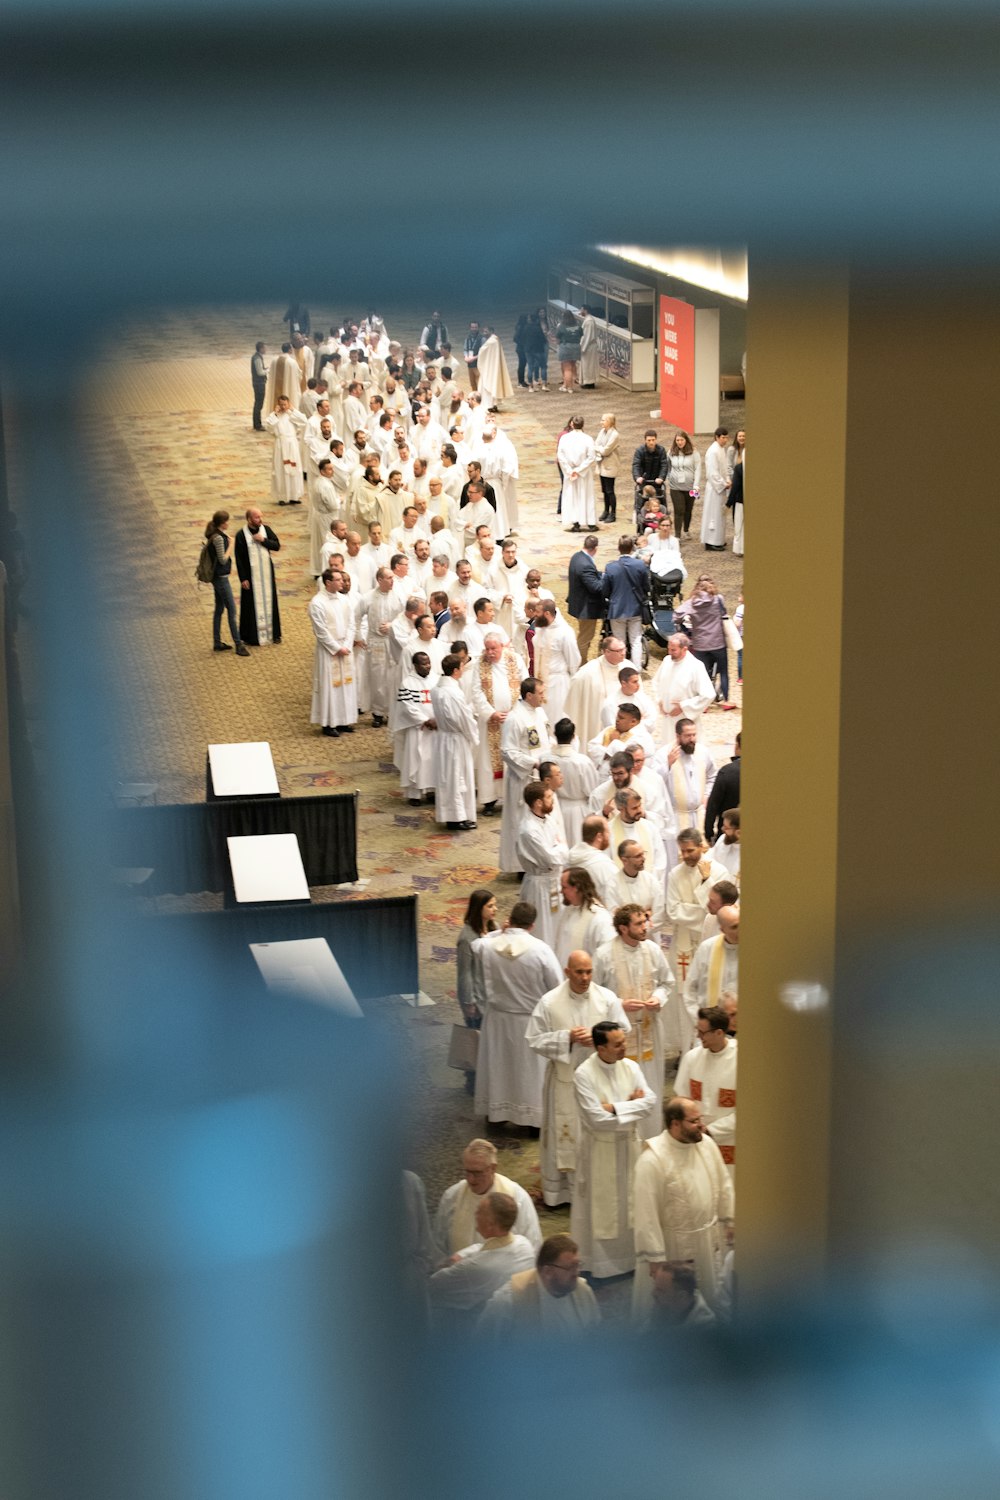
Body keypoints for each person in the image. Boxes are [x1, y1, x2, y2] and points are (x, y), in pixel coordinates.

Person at [526, 950, 630, 1206]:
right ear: (567, 972)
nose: (585, 978)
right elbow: (534, 1040)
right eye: (579, 972)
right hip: (565, 1081)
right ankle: (563, 1194)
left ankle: (598, 1189)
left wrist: (598, 1040)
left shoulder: (606, 999)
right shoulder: (549, 1002)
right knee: (567, 1134)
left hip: (601, 1081)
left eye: (589, 971)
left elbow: (623, 1030)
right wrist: (567, 1038)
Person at [632, 1096, 735, 1318]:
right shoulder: (652, 1160)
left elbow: (723, 1181)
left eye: (700, 1118)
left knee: (710, 1297)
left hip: (707, 1242)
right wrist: (656, 1259)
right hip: (673, 1249)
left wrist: (730, 1219)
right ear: (675, 1123)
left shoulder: (706, 1144)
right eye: (694, 1121)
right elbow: (645, 1215)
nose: (701, 1125)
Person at [572, 1021, 655, 1276]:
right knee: (602, 1207)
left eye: (623, 1041)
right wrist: (630, 1106)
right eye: (617, 1044)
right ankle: (601, 1264)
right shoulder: (583, 1074)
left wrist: (615, 1108)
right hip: (600, 1152)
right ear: (600, 1048)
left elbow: (650, 1103)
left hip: (628, 1148)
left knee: (631, 1201)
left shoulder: (631, 1066)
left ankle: (631, 1259)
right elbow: (596, 1120)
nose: (624, 1047)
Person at [473, 900, 563, 1128]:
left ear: (510, 920)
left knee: (499, 1067)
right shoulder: (540, 949)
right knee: (529, 1072)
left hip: (498, 1018)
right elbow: (556, 986)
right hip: (529, 1018)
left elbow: (475, 944)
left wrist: (497, 933)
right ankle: (533, 1121)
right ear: (532, 925)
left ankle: (496, 1116)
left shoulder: (488, 947)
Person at [594, 904, 676, 1137]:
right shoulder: (604, 954)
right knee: (624, 1087)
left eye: (645, 921)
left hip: (649, 1030)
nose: (645, 927)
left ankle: (651, 1135)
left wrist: (657, 998)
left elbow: (666, 982)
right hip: (619, 1035)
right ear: (623, 928)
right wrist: (619, 1004)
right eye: (638, 924)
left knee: (650, 1084)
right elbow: (595, 993)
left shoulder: (652, 950)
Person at [428, 1192, 536, 1328]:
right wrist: (462, 1254)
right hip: (522, 1320)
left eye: (479, 1211)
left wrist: (449, 1263)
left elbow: (433, 1285)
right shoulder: (525, 1245)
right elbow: (484, 1248)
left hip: (480, 1325)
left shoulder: (473, 1267)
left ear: (490, 1225)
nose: (475, 1214)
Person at [434, 1138, 543, 1257]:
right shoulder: (452, 1196)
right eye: (467, 1172)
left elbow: (533, 1244)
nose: (470, 1179)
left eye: (477, 1173)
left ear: (493, 1168)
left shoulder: (516, 1197)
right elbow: (438, 1243)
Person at [477, 1233, 600, 1336]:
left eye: (577, 1265)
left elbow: (594, 1332)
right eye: (569, 1268)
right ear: (547, 1271)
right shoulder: (509, 1300)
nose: (576, 1273)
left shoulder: (583, 1291)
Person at [665, 829, 732, 1005]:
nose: (685, 856)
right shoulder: (675, 874)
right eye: (682, 851)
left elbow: (719, 910)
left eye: (690, 850)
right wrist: (702, 912)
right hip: (683, 941)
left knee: (711, 989)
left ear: (701, 847)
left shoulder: (720, 871)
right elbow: (672, 911)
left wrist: (706, 881)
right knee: (682, 996)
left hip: (712, 936)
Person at [675, 1006, 737, 1179]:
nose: (698, 1036)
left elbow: (749, 1112)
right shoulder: (692, 1058)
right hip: (696, 1137)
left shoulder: (742, 1061)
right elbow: (682, 1098)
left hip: (730, 1140)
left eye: (702, 1033)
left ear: (718, 1033)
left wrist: (711, 1130)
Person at [499, 677, 551, 873]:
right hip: (523, 779)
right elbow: (507, 751)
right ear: (529, 696)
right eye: (541, 693)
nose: (544, 696)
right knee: (521, 822)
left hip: (540, 777)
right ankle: (521, 866)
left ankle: (539, 859)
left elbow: (546, 736)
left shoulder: (539, 712)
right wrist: (533, 763)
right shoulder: (515, 718)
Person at [471, 633, 527, 816]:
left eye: (493, 648)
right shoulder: (480, 664)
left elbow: (525, 685)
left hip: (513, 718)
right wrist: (490, 713)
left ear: (502, 646)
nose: (490, 652)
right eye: (487, 648)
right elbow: (476, 691)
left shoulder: (514, 659)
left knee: (513, 756)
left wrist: (516, 711)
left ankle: (514, 797)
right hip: (491, 722)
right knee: (489, 761)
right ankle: (489, 800)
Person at [515, 781, 569, 951]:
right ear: (538, 802)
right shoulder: (529, 830)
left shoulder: (549, 820)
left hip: (554, 881)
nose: (552, 801)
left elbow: (562, 847)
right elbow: (550, 859)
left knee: (557, 926)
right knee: (542, 929)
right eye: (549, 798)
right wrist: (559, 849)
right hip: (539, 886)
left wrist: (558, 849)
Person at [430, 653, 479, 831]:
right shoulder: (453, 693)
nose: (464, 669)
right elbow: (463, 719)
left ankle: (453, 816)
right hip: (456, 739)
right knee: (457, 777)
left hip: (444, 738)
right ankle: (457, 817)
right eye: (462, 666)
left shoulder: (436, 689)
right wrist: (473, 735)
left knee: (447, 778)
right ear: (456, 670)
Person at [308, 569, 357, 736]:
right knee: (331, 686)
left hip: (345, 647)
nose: (342, 582)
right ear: (328, 582)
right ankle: (329, 723)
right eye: (338, 580)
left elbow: (352, 624)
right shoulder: (317, 603)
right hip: (329, 651)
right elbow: (320, 631)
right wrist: (337, 648)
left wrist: (348, 644)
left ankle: (343, 720)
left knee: (346, 684)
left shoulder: (345, 600)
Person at [678, 575, 734, 707]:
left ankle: (705, 704)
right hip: (717, 642)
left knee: (702, 674)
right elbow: (723, 614)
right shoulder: (718, 599)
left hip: (700, 643)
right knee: (724, 672)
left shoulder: (692, 602)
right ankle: (726, 701)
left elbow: (676, 615)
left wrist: (684, 630)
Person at [564, 635, 628, 748]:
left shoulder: (627, 667)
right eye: (619, 650)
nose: (623, 653)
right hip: (598, 725)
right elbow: (574, 687)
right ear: (607, 652)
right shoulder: (588, 672)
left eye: (624, 649)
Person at [656, 717, 717, 833]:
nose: (692, 739)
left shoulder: (703, 751)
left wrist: (707, 795)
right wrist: (667, 764)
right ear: (678, 736)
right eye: (688, 736)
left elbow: (712, 776)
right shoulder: (663, 754)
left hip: (699, 814)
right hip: (675, 816)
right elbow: (654, 782)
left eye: (694, 735)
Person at [651, 633, 715, 739]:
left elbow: (708, 694)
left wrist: (683, 706)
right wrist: (660, 700)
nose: (669, 653)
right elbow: (656, 682)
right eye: (669, 649)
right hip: (668, 719)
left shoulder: (696, 666)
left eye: (673, 650)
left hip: (685, 720)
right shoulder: (667, 661)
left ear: (684, 649)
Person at [602, 534, 651, 670]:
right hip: (635, 607)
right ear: (632, 548)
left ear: (619, 548)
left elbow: (605, 590)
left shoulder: (610, 567)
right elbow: (646, 586)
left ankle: (622, 668)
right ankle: (636, 669)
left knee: (620, 641)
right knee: (636, 640)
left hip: (617, 609)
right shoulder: (640, 564)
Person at [233, 506, 281, 646]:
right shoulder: (241, 535)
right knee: (250, 605)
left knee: (271, 601)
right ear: (249, 519)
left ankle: (274, 634)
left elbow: (277, 545)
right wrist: (243, 579)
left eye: (261, 516)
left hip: (266, 574)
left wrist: (263, 540)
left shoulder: (266, 530)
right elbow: (239, 559)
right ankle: (250, 636)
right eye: (257, 517)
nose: (260, 519)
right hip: (251, 577)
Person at [204, 510, 249, 657]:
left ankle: (217, 642)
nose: (228, 523)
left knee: (219, 609)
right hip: (221, 578)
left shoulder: (216, 535)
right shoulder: (218, 538)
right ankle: (238, 644)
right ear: (222, 523)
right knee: (232, 610)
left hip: (218, 577)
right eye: (227, 521)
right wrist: (231, 544)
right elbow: (223, 559)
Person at [395, 651, 438, 805]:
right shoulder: (407, 683)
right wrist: (425, 720)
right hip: (417, 728)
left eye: (429, 663)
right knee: (416, 760)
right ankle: (414, 794)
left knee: (433, 760)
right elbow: (407, 707)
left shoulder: (436, 679)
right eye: (423, 664)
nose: (427, 666)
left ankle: (432, 790)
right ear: (415, 665)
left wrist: (437, 720)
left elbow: (441, 701)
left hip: (435, 728)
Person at [550, 718, 600, 847]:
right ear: (573, 737)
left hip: (552, 805)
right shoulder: (582, 762)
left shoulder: (545, 758)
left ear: (555, 734)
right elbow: (592, 790)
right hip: (577, 811)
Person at [531, 599, 581, 726]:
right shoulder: (540, 629)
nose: (534, 615)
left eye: (537, 612)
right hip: (539, 682)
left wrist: (572, 682)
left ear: (547, 613)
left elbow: (574, 659)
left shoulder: (565, 632)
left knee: (555, 719)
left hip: (557, 683)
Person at [553, 868, 615, 969]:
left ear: (576, 887)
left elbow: (607, 955)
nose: (561, 891)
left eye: (564, 887)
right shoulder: (568, 910)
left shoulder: (599, 917)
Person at [687, 905, 740, 1009]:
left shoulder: (754, 949)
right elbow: (690, 989)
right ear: (722, 929)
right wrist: (702, 1019)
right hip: (713, 1020)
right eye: (734, 927)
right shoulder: (706, 949)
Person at [565, 813, 620, 910]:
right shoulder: (603, 864)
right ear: (599, 836)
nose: (610, 835)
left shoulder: (569, 859)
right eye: (607, 832)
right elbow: (616, 894)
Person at [609, 839, 666, 931]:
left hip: (649, 938)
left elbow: (659, 914)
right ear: (624, 860)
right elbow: (613, 917)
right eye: (638, 856)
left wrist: (640, 930)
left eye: (643, 853)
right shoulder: (612, 885)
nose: (643, 858)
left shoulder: (651, 880)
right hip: (624, 940)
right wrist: (646, 915)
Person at [643, 1260, 717, 1331]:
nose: (653, 1293)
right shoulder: (661, 1309)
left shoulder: (706, 1329)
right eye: (655, 1287)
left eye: (661, 1291)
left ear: (682, 1297)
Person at [566, 533, 605, 660]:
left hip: (578, 603)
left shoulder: (576, 556)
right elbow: (596, 587)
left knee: (583, 636)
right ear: (595, 549)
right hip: (586, 608)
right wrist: (606, 581)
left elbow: (589, 576)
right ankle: (580, 663)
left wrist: (600, 575)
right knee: (585, 638)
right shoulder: (586, 564)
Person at [264, 393, 307, 505]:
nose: (283, 407)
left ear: (288, 404)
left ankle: (294, 496)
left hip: (292, 445)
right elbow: (269, 426)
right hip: (280, 445)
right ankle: (282, 496)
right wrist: (275, 414)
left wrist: (292, 410)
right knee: (280, 470)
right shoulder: (275, 416)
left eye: (285, 404)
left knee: (294, 469)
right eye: (281, 404)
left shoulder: (291, 414)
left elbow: (304, 421)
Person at [557, 415, 598, 533]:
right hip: (583, 473)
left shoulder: (565, 438)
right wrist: (579, 470)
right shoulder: (588, 439)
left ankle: (575, 523)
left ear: (572, 424)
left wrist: (570, 470)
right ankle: (590, 522)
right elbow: (591, 457)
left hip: (571, 472)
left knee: (572, 497)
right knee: (586, 496)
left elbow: (560, 456)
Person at [705, 733, 741, 842]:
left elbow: (713, 806)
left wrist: (709, 833)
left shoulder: (726, 772)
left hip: (727, 837)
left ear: (737, 746)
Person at [666, 431, 703, 540]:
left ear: (686, 440)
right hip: (675, 487)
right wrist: (670, 477)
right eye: (677, 440)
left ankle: (686, 529)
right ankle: (677, 535)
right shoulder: (671, 452)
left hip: (691, 487)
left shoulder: (694, 452)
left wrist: (696, 485)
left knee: (688, 510)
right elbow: (668, 466)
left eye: (681, 440)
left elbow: (698, 469)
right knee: (679, 510)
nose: (679, 442)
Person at [631, 430, 670, 530]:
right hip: (644, 481)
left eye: (653, 440)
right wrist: (637, 477)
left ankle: (660, 522)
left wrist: (661, 477)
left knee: (659, 501)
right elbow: (636, 465)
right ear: (645, 440)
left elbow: (664, 465)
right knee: (642, 501)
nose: (651, 442)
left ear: (656, 440)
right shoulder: (640, 451)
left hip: (657, 482)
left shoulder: (661, 450)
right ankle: (642, 522)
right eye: (649, 440)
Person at [700, 427, 731, 550]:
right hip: (714, 488)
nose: (725, 440)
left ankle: (719, 540)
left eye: (726, 437)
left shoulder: (721, 449)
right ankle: (711, 541)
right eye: (723, 438)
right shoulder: (713, 451)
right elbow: (712, 472)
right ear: (717, 437)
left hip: (721, 486)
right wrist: (723, 483)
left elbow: (724, 468)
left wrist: (727, 479)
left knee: (720, 514)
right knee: (713, 514)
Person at [476, 326, 514, 412]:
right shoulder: (494, 340)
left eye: (486, 331)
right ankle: (492, 404)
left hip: (490, 367)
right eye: (483, 331)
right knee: (490, 384)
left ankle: (489, 405)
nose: (484, 333)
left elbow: (482, 350)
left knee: (488, 384)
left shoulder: (492, 341)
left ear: (491, 331)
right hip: (490, 365)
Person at [594, 412, 620, 522]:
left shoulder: (614, 434)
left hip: (611, 465)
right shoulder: (602, 431)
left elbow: (605, 451)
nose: (601, 422)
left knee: (610, 490)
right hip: (602, 464)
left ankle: (613, 513)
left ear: (610, 422)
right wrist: (599, 448)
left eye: (603, 420)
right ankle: (606, 510)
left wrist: (599, 448)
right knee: (604, 490)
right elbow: (595, 444)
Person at [555, 309, 583, 393]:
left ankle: (569, 387)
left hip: (565, 347)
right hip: (576, 347)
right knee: (572, 365)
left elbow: (557, 338)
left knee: (567, 369)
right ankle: (566, 385)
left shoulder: (561, 326)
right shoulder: (578, 326)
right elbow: (581, 335)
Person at [711, 808, 741, 880]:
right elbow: (711, 858)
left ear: (739, 832)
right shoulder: (722, 839)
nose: (722, 829)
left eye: (726, 828)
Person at [522, 312, 548, 391]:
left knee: (530, 367)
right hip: (538, 349)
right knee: (543, 366)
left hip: (528, 350)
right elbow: (543, 339)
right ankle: (544, 385)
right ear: (536, 319)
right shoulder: (538, 328)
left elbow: (522, 338)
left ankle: (531, 386)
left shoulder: (526, 327)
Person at [728, 434, 745, 556]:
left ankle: (738, 548)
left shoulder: (739, 468)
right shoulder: (731, 450)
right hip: (740, 499)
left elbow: (735, 488)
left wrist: (729, 502)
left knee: (739, 525)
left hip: (740, 500)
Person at [578, 305, 599, 388]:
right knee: (587, 365)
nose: (580, 311)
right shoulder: (588, 320)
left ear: (585, 310)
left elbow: (587, 336)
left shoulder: (589, 321)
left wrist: (583, 347)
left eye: (581, 309)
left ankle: (589, 383)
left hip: (588, 347)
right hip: (589, 346)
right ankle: (588, 382)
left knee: (588, 365)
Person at [250, 341, 269, 431]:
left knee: (258, 403)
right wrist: (268, 371)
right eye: (264, 348)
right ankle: (257, 424)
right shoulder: (257, 358)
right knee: (258, 404)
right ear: (261, 348)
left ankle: (257, 423)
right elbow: (260, 372)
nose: (266, 349)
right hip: (259, 384)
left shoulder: (257, 357)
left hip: (258, 383)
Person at [463, 321, 485, 390]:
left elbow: (483, 352)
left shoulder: (482, 338)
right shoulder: (467, 338)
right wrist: (466, 357)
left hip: (478, 364)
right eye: (472, 327)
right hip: (470, 364)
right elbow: (465, 349)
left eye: (475, 327)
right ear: (470, 328)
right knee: (472, 383)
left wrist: (474, 358)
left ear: (478, 328)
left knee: (479, 382)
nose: (474, 329)